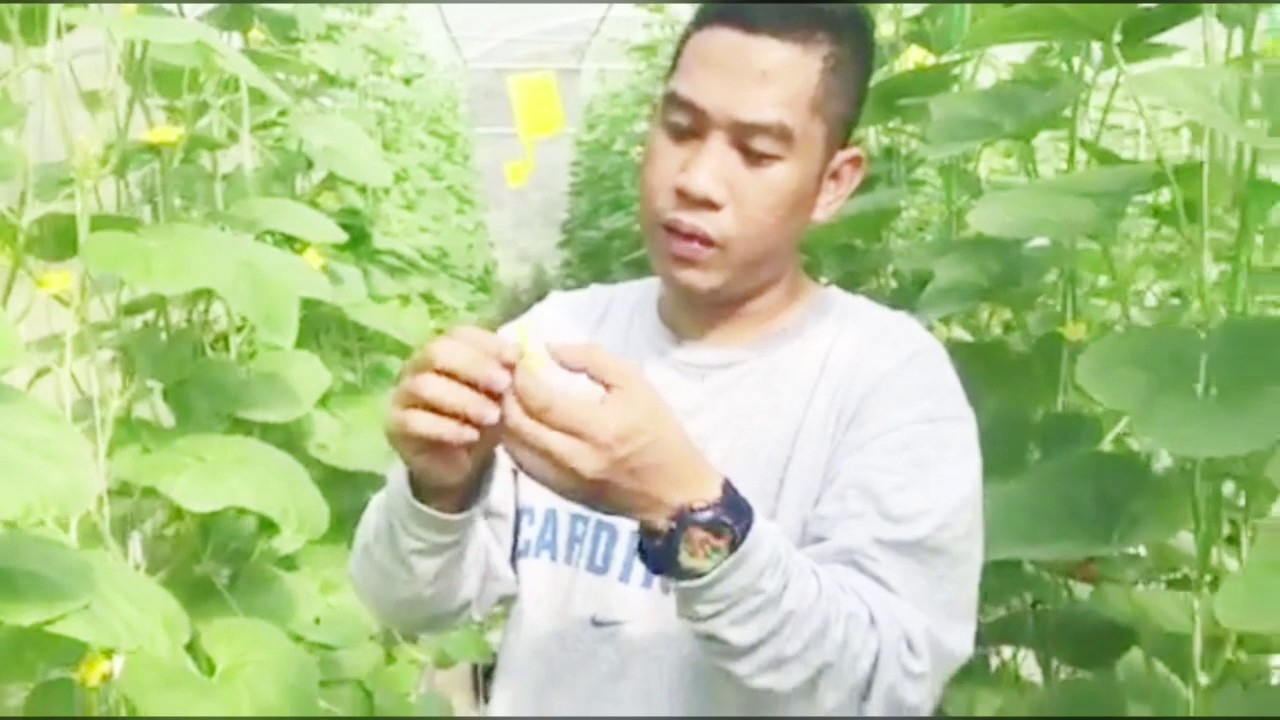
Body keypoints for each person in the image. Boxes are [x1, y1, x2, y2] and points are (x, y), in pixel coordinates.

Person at [349, 3, 983, 716]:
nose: (698, 181)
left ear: (834, 182)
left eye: (758, 152)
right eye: (680, 129)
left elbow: (886, 683)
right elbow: (404, 603)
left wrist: (685, 512)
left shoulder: (889, 383)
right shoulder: (558, 337)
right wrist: (439, 493)